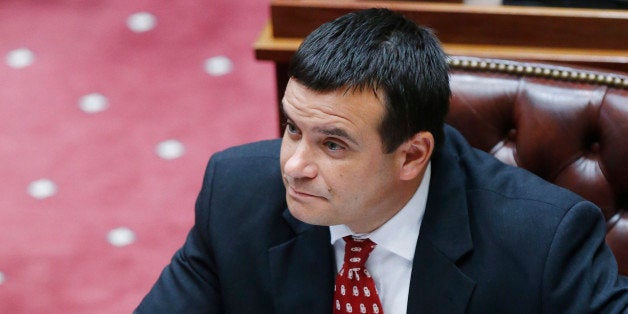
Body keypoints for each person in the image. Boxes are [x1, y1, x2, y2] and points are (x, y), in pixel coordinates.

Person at [136, 8, 628, 313]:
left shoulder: (543, 243)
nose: (293, 165)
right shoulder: (234, 195)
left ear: (411, 155)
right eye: (292, 129)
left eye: (333, 145)